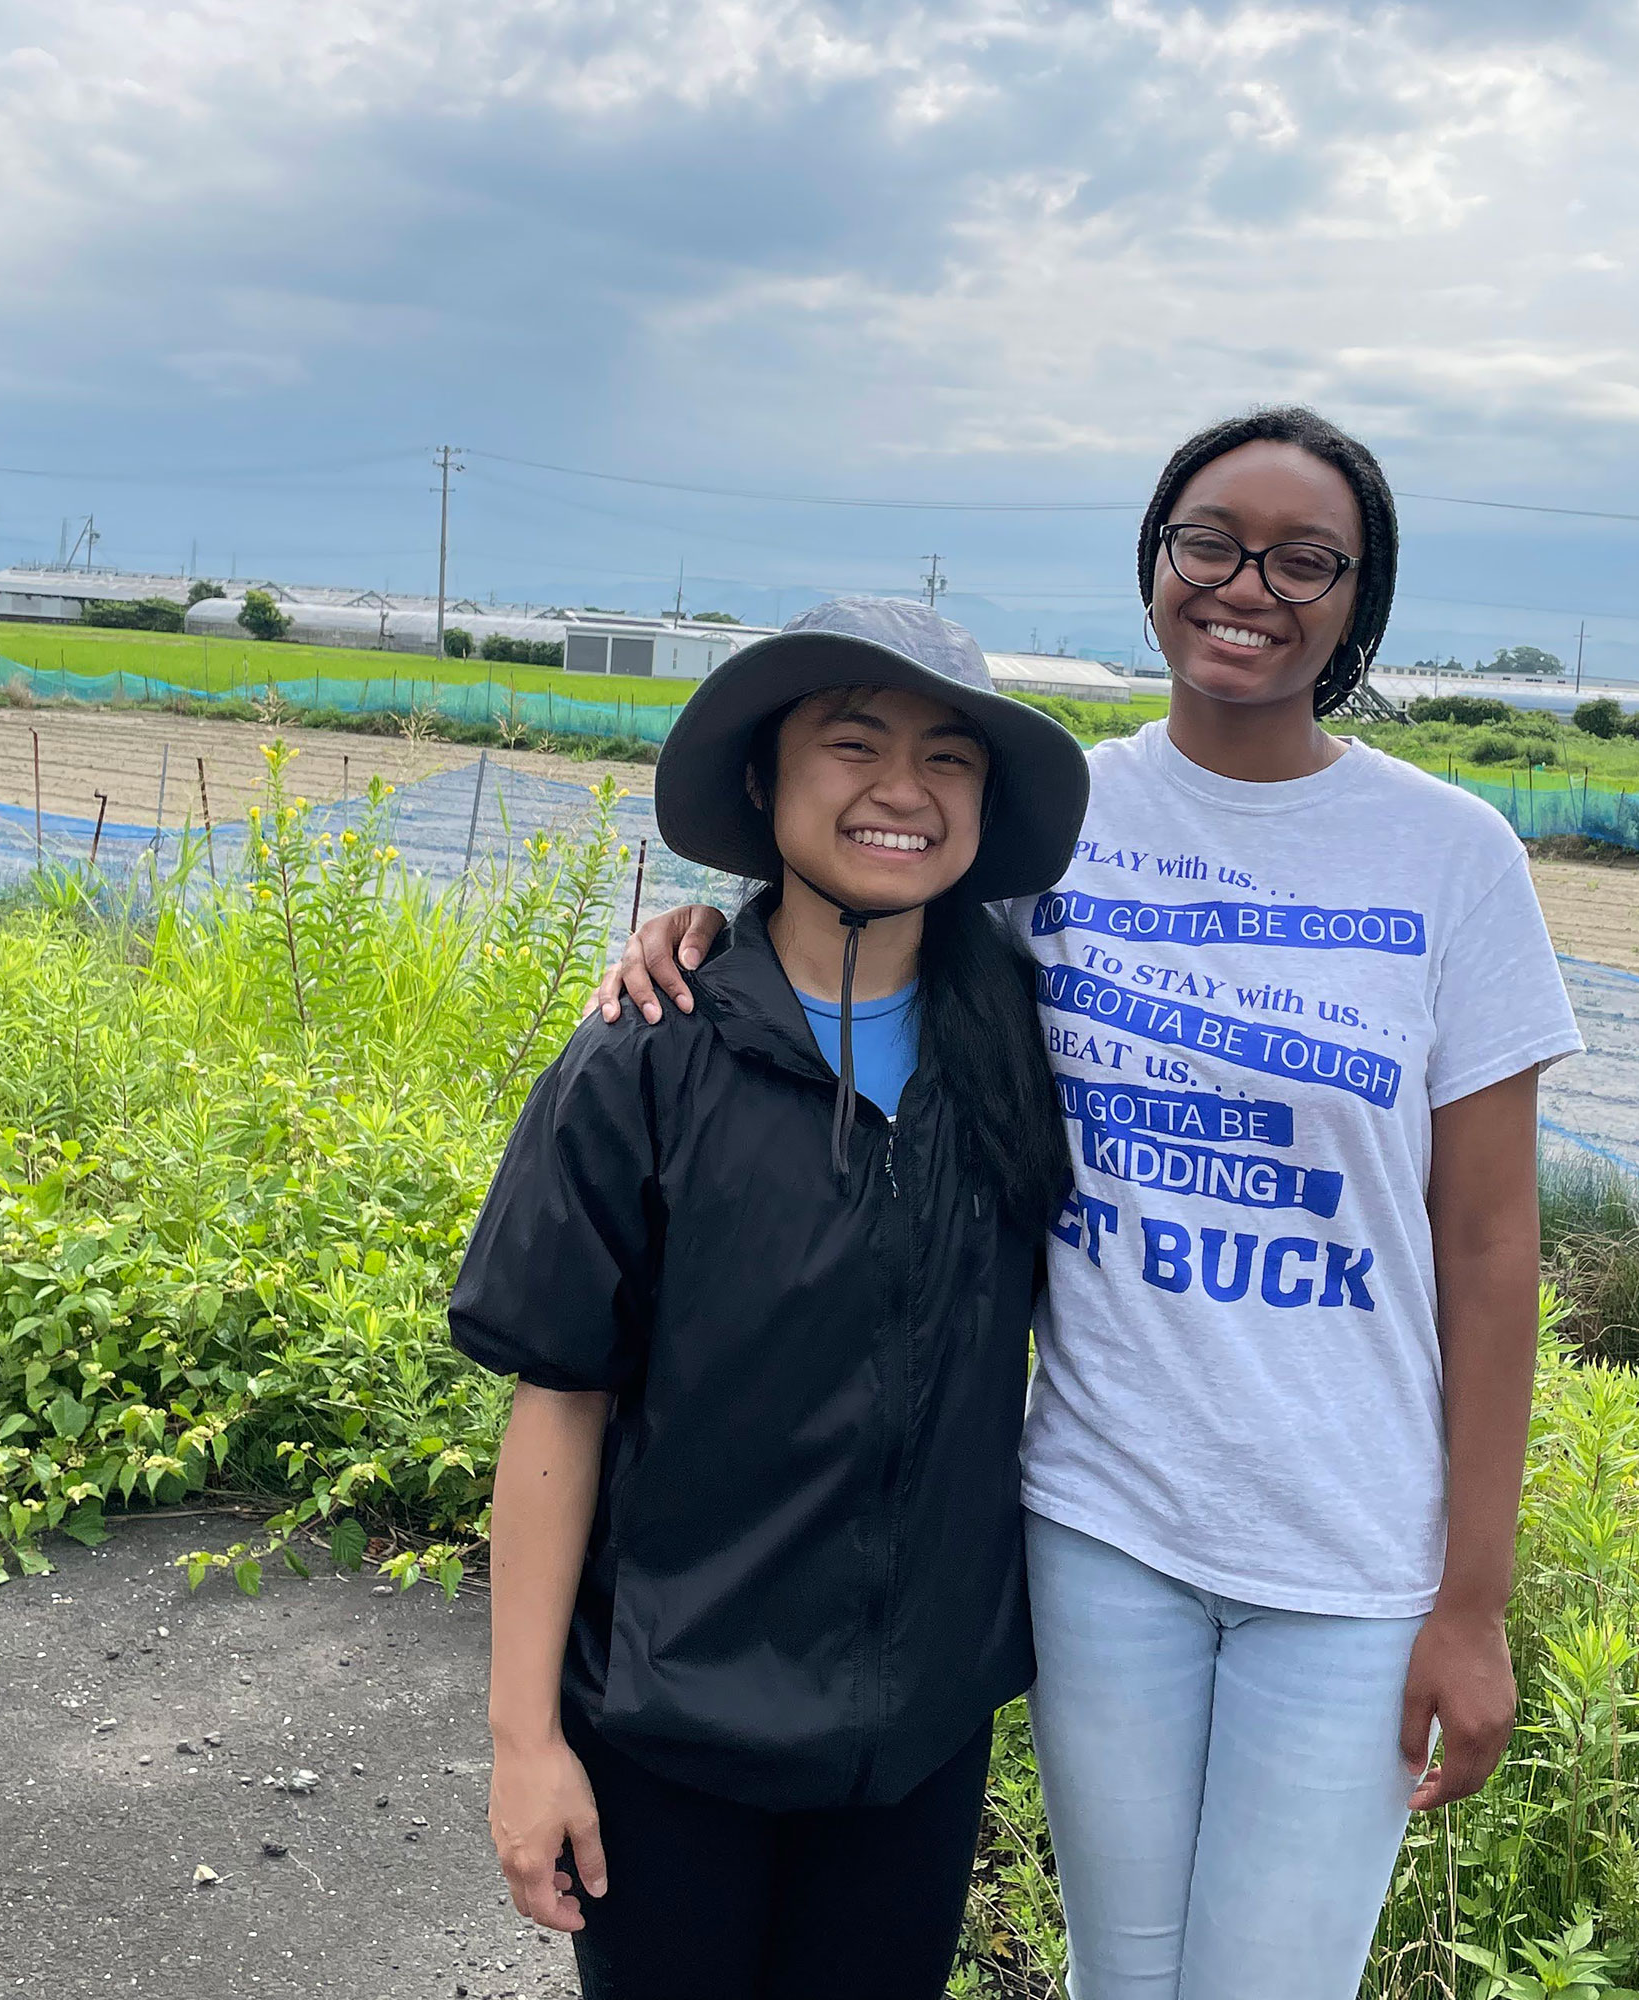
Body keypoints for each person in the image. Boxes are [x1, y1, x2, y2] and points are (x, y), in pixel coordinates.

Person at [601, 407, 1582, 1998]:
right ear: (1155, 563)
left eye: (1306, 559)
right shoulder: (1063, 822)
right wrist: (703, 940)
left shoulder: (1450, 857)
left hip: (1346, 1556)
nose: (1248, 585)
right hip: (1098, 1522)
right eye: (1211, 541)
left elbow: (1490, 1250)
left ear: (1358, 603)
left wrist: (1474, 1601)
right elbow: (869, 884)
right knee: (1121, 1980)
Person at [451, 597, 1089, 2000]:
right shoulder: (648, 1056)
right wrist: (523, 1747)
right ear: (762, 777)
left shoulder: (1031, 1053)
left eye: (950, 759)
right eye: (852, 744)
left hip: (913, 1744)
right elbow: (558, 1399)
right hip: (670, 1730)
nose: (903, 793)